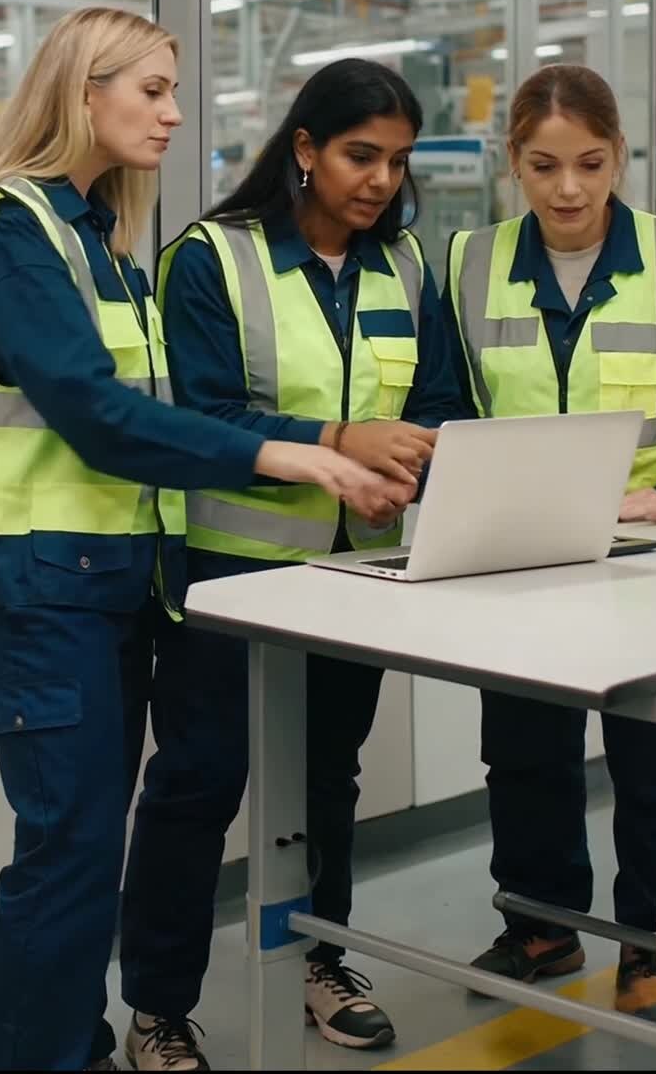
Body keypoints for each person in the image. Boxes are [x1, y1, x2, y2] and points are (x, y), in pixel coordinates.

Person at [0, 10, 410, 1073]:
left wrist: (304, 450)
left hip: (114, 585)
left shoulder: (100, 242)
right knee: (69, 858)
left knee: (83, 854)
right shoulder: (13, 232)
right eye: (153, 90)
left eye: (174, 90)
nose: (175, 114)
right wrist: (292, 455)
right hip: (43, 588)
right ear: (85, 92)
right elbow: (93, 412)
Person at [119, 58, 466, 1067]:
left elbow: (438, 397)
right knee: (198, 781)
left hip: (360, 579)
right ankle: (157, 1005)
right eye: (362, 155)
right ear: (305, 149)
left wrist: (420, 447)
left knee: (326, 778)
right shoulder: (211, 260)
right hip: (229, 578)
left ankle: (322, 956)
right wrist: (340, 436)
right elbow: (197, 416)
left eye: (398, 162)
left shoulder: (405, 265)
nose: (381, 180)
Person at [443, 63, 656, 1014]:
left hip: (653, 557)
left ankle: (651, 944)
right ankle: (541, 929)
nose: (569, 190)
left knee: (653, 760)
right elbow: (443, 402)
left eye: (591, 163)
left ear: (620, 155)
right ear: (513, 162)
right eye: (544, 166)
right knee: (524, 752)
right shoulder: (469, 259)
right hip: (520, 555)